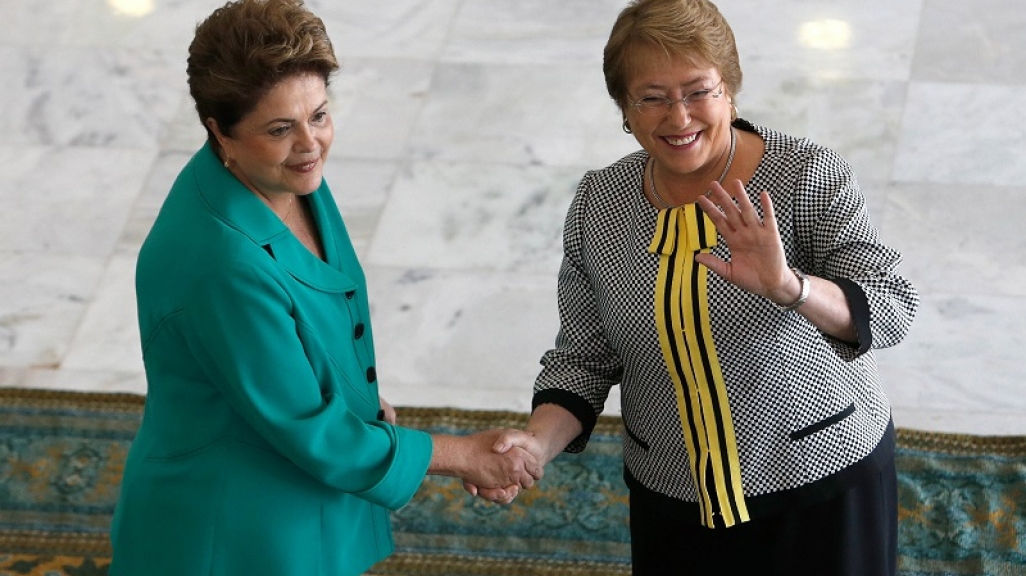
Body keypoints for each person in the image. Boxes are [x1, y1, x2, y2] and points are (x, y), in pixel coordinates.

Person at [474, 0, 919, 574]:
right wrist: (536, 443)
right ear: (625, 111)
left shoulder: (806, 174)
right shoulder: (599, 205)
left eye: (697, 91)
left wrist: (791, 287)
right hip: (674, 498)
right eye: (652, 97)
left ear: (730, 90)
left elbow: (890, 305)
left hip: (821, 484)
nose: (678, 117)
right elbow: (584, 358)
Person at [108, 1, 539, 575]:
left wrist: (357, 399)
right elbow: (308, 427)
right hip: (233, 528)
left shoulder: (280, 174)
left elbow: (310, 321)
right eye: (281, 128)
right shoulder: (223, 263)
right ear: (220, 131)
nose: (311, 143)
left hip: (296, 485)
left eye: (319, 115)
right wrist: (463, 456)